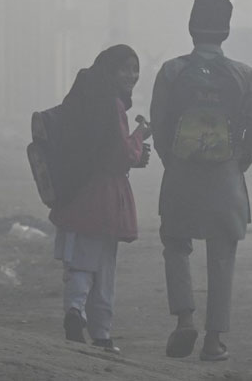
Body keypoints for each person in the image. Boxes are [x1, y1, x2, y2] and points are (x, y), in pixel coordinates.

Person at [150, 0, 252, 362]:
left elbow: (160, 124)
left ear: (190, 28)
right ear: (226, 32)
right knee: (221, 255)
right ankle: (214, 340)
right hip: (226, 176)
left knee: (175, 244)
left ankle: (185, 318)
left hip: (182, 173)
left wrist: (175, 161)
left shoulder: (172, 71)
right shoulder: (243, 75)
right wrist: (236, 163)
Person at [49, 44, 151, 354]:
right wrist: (141, 136)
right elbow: (119, 153)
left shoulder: (80, 99)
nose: (132, 75)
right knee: (104, 266)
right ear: (109, 69)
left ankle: (76, 312)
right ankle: (99, 331)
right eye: (125, 68)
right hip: (105, 196)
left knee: (81, 259)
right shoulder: (112, 105)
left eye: (135, 69)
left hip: (75, 193)